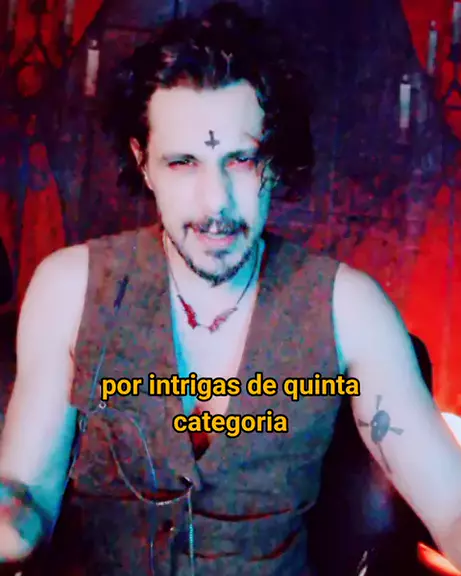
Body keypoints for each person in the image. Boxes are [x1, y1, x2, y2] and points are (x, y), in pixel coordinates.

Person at [0, 2, 461, 574]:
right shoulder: (68, 288)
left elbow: (452, 503)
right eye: (183, 163)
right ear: (143, 164)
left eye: (241, 160)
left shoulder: (351, 308)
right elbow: (24, 504)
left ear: (274, 160)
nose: (215, 202)